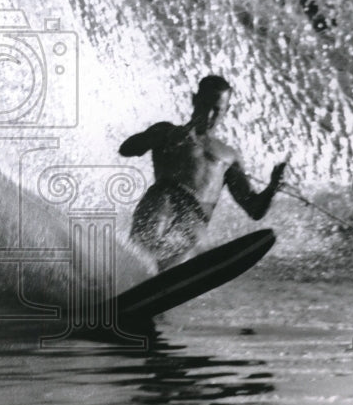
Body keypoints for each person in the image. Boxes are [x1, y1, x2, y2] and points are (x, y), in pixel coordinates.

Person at [118, 75, 286, 269]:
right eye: (205, 106)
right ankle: (135, 266)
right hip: (162, 200)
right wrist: (159, 137)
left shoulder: (229, 156)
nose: (208, 116)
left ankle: (161, 276)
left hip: (195, 217)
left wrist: (272, 188)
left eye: (216, 110)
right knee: (158, 211)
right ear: (194, 100)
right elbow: (127, 148)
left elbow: (254, 209)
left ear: (226, 110)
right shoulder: (166, 130)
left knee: (192, 235)